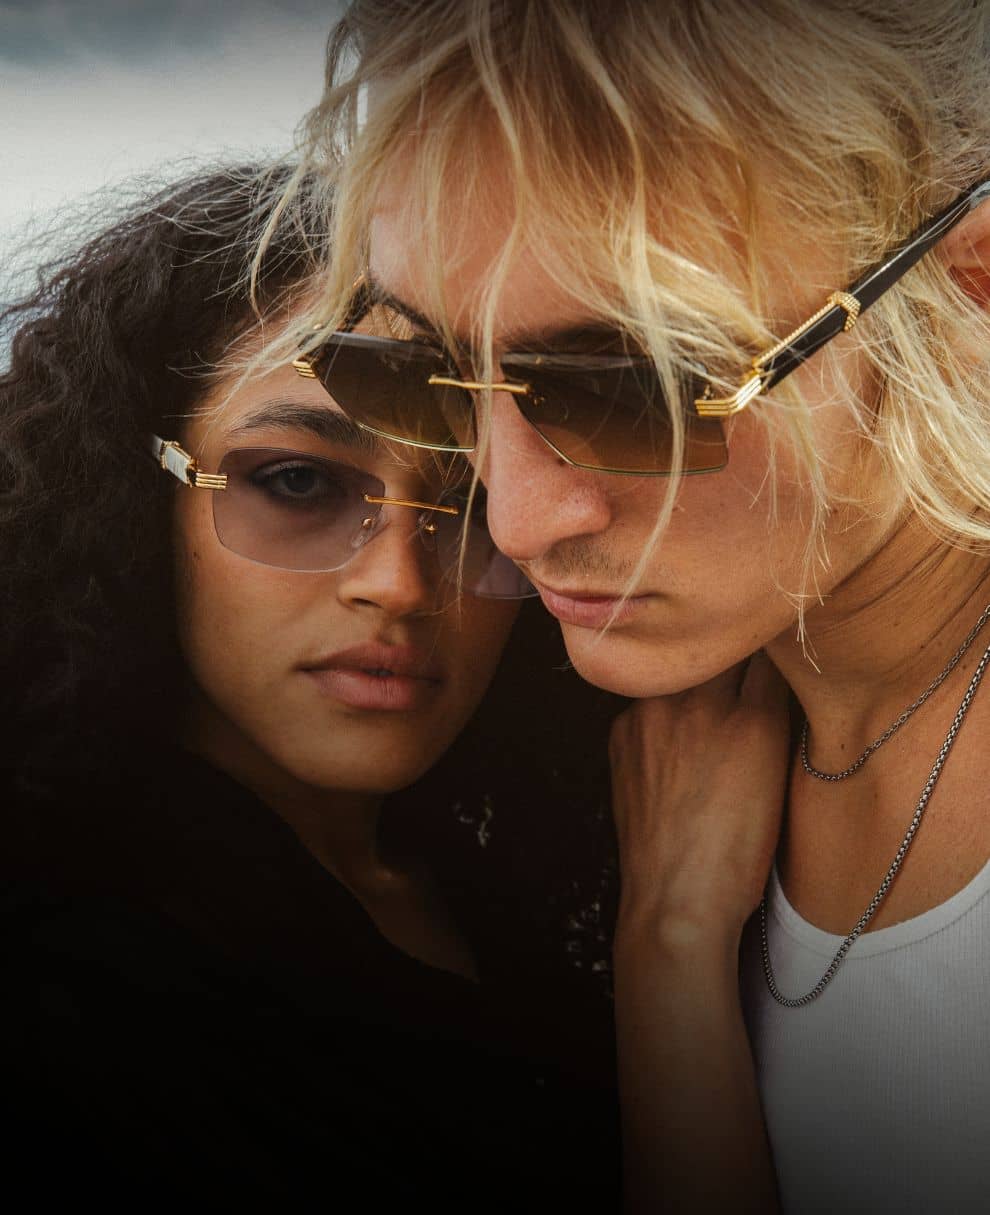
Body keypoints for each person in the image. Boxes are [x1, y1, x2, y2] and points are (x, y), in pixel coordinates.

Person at [282, 2, 990, 1210]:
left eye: (629, 387)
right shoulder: (608, 762)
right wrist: (668, 943)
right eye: (422, 373)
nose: (512, 520)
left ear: (969, 289)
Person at [0, 164, 621, 1209]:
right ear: (122, 495)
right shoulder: (56, 966)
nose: (397, 584)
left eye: (474, 506)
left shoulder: (532, 882)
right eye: (297, 483)